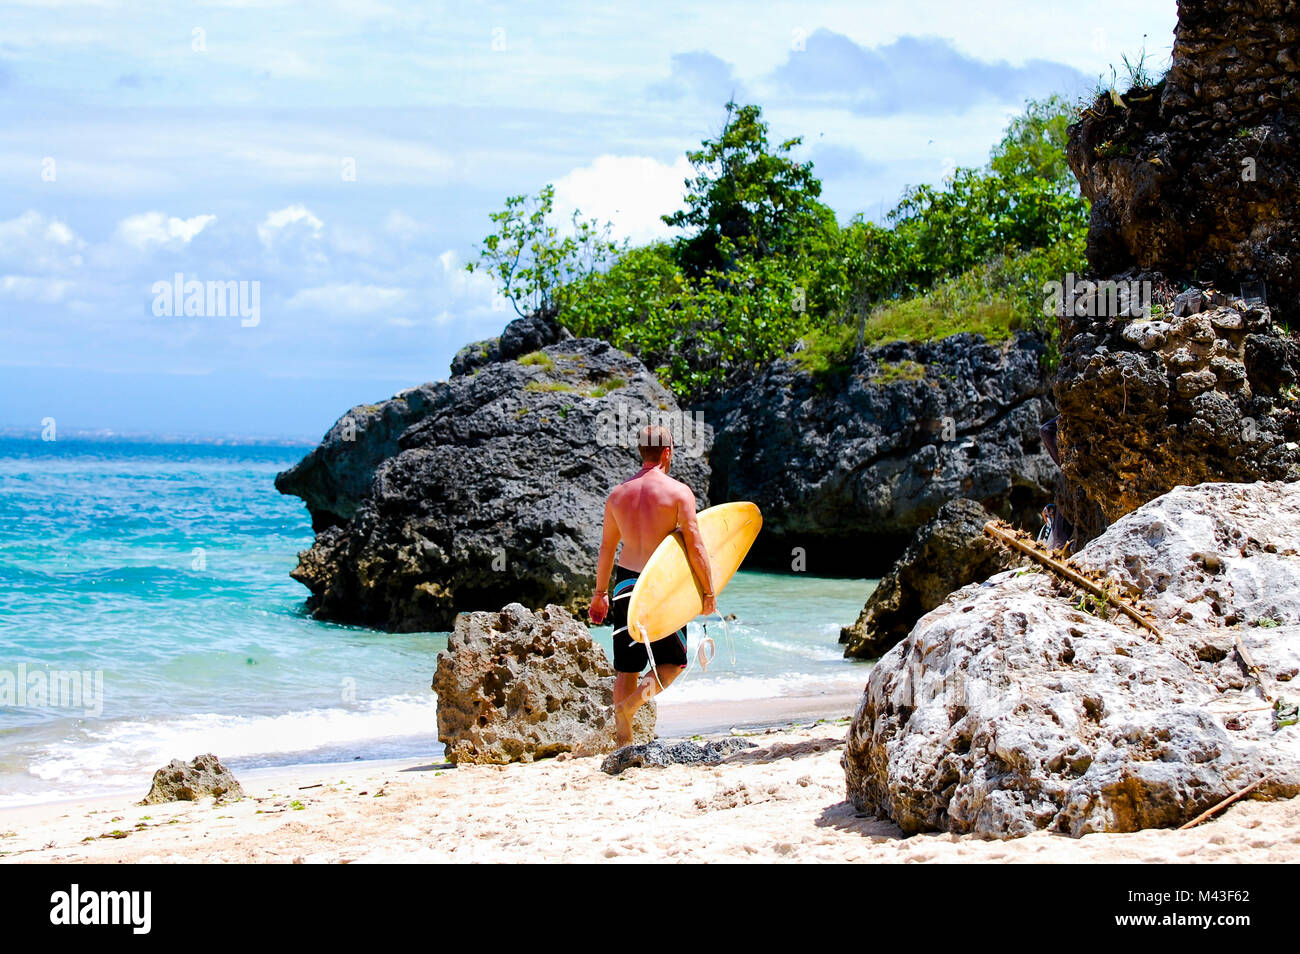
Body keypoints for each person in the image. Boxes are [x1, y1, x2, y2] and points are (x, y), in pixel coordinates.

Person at [588, 424, 716, 746]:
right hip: (660, 586)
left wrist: (600, 594)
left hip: (625, 584)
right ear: (667, 453)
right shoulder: (678, 492)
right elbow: (696, 545)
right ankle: (629, 708)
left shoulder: (617, 495)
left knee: (626, 668)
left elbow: (607, 548)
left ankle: (624, 744)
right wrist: (708, 592)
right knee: (672, 663)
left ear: (641, 452)